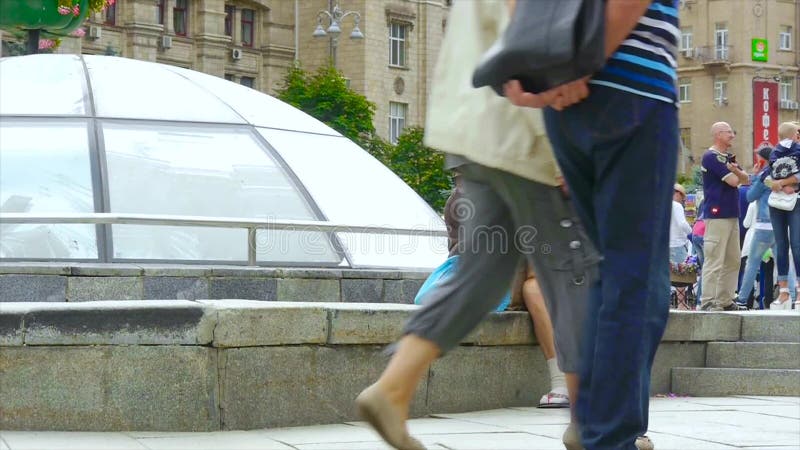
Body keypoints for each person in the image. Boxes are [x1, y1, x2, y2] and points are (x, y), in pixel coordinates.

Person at [354, 3, 600, 450]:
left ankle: (393, 388)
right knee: (573, 267)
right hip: (523, 122)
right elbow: (529, 21)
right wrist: (558, 116)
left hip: (473, 125)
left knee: (482, 274)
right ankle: (589, 422)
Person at [504, 1, 676, 448]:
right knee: (634, 276)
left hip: (564, 102)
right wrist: (579, 62)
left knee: (605, 274)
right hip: (631, 88)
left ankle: (595, 425)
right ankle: (608, 436)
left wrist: (538, 64)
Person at [699, 122, 750, 311]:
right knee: (714, 259)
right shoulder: (711, 157)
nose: (732, 135)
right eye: (728, 132)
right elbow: (735, 181)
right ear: (718, 135)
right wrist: (736, 171)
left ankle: (725, 299)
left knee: (733, 259)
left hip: (731, 214)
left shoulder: (727, 157)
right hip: (717, 214)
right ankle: (708, 301)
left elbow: (747, 179)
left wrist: (736, 170)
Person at [736, 147, 777, 309]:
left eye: (758, 158)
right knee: (783, 264)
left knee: (752, 263)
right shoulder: (782, 172)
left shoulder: (765, 175)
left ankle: (742, 299)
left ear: (764, 159)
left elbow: (750, 196)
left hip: (763, 225)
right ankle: (792, 296)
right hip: (780, 223)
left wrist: (755, 177)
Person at [765, 122, 800, 309]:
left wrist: (781, 183)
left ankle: (796, 292)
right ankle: (785, 292)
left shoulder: (774, 152)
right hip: (782, 200)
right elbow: (765, 177)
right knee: (784, 245)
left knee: (794, 244)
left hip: (792, 200)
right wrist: (782, 185)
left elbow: (767, 177)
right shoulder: (775, 152)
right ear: (795, 134)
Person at [670, 183, 692, 263]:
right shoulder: (676, 205)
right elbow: (682, 223)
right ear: (678, 194)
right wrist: (691, 232)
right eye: (682, 196)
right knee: (682, 274)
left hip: (666, 245)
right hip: (677, 244)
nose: (682, 199)